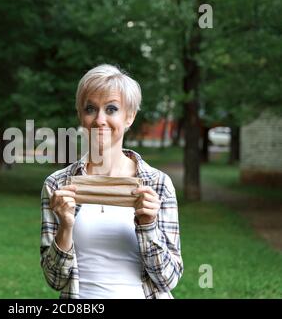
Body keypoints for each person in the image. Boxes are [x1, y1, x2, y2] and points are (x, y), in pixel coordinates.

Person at [40, 64, 183, 299]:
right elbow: (55, 280)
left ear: (129, 117)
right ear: (80, 115)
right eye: (90, 109)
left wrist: (147, 225)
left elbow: (168, 279)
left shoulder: (157, 184)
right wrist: (65, 228)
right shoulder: (57, 185)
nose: (100, 120)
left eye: (111, 109)